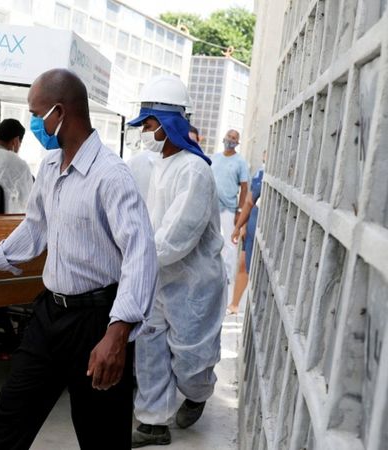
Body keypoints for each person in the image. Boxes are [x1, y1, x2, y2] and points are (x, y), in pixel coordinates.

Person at [0, 68, 157, 450]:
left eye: (36, 114)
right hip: (49, 315)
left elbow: (140, 254)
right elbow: (36, 226)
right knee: (6, 424)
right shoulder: (51, 166)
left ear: (59, 112)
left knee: (101, 436)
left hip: (97, 322)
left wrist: (117, 334)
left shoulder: (111, 175)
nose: (33, 124)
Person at [126, 75, 226, 447]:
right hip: (154, 277)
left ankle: (198, 393)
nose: (144, 132)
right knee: (149, 349)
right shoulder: (149, 165)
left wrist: (137, 259)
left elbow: (178, 236)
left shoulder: (194, 170)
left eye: (149, 124)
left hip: (191, 283)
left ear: (169, 123)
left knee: (190, 359)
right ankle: (153, 423)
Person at [211, 129, 249, 285]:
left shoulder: (240, 162)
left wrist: (240, 211)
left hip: (229, 208)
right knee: (210, 239)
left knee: (229, 243)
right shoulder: (214, 158)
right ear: (224, 138)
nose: (231, 140)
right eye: (229, 136)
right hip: (212, 206)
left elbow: (244, 188)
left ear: (237, 143)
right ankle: (211, 271)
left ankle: (226, 276)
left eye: (234, 138)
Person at [228, 154, 265, 314]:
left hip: (260, 226)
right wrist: (241, 226)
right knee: (244, 264)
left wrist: (239, 227)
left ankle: (251, 308)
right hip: (252, 225)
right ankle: (234, 304)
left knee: (255, 270)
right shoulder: (261, 173)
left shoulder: (265, 174)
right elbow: (249, 202)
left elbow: (249, 201)